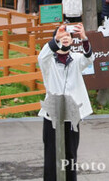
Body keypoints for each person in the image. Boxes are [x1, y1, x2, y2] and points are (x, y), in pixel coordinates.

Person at [38, 23, 93, 181]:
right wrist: (56, 38)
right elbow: (41, 57)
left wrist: (84, 38)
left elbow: (89, 58)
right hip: (52, 116)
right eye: (62, 36)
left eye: (68, 35)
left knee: (70, 155)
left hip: (72, 115)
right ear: (56, 40)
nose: (65, 37)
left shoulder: (76, 59)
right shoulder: (49, 61)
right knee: (51, 155)